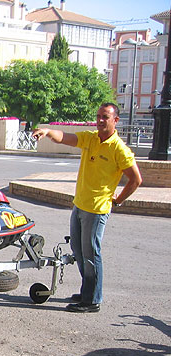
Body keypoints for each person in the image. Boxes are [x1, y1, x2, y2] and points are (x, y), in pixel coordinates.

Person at [32, 103, 142, 313]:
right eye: (99, 116)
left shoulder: (119, 149)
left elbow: (136, 180)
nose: (100, 120)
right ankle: (87, 290)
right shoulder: (91, 139)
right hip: (80, 205)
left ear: (115, 120)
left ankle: (92, 300)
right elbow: (65, 137)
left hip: (97, 209)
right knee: (79, 251)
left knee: (91, 254)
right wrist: (46, 132)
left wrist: (117, 200)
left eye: (105, 117)